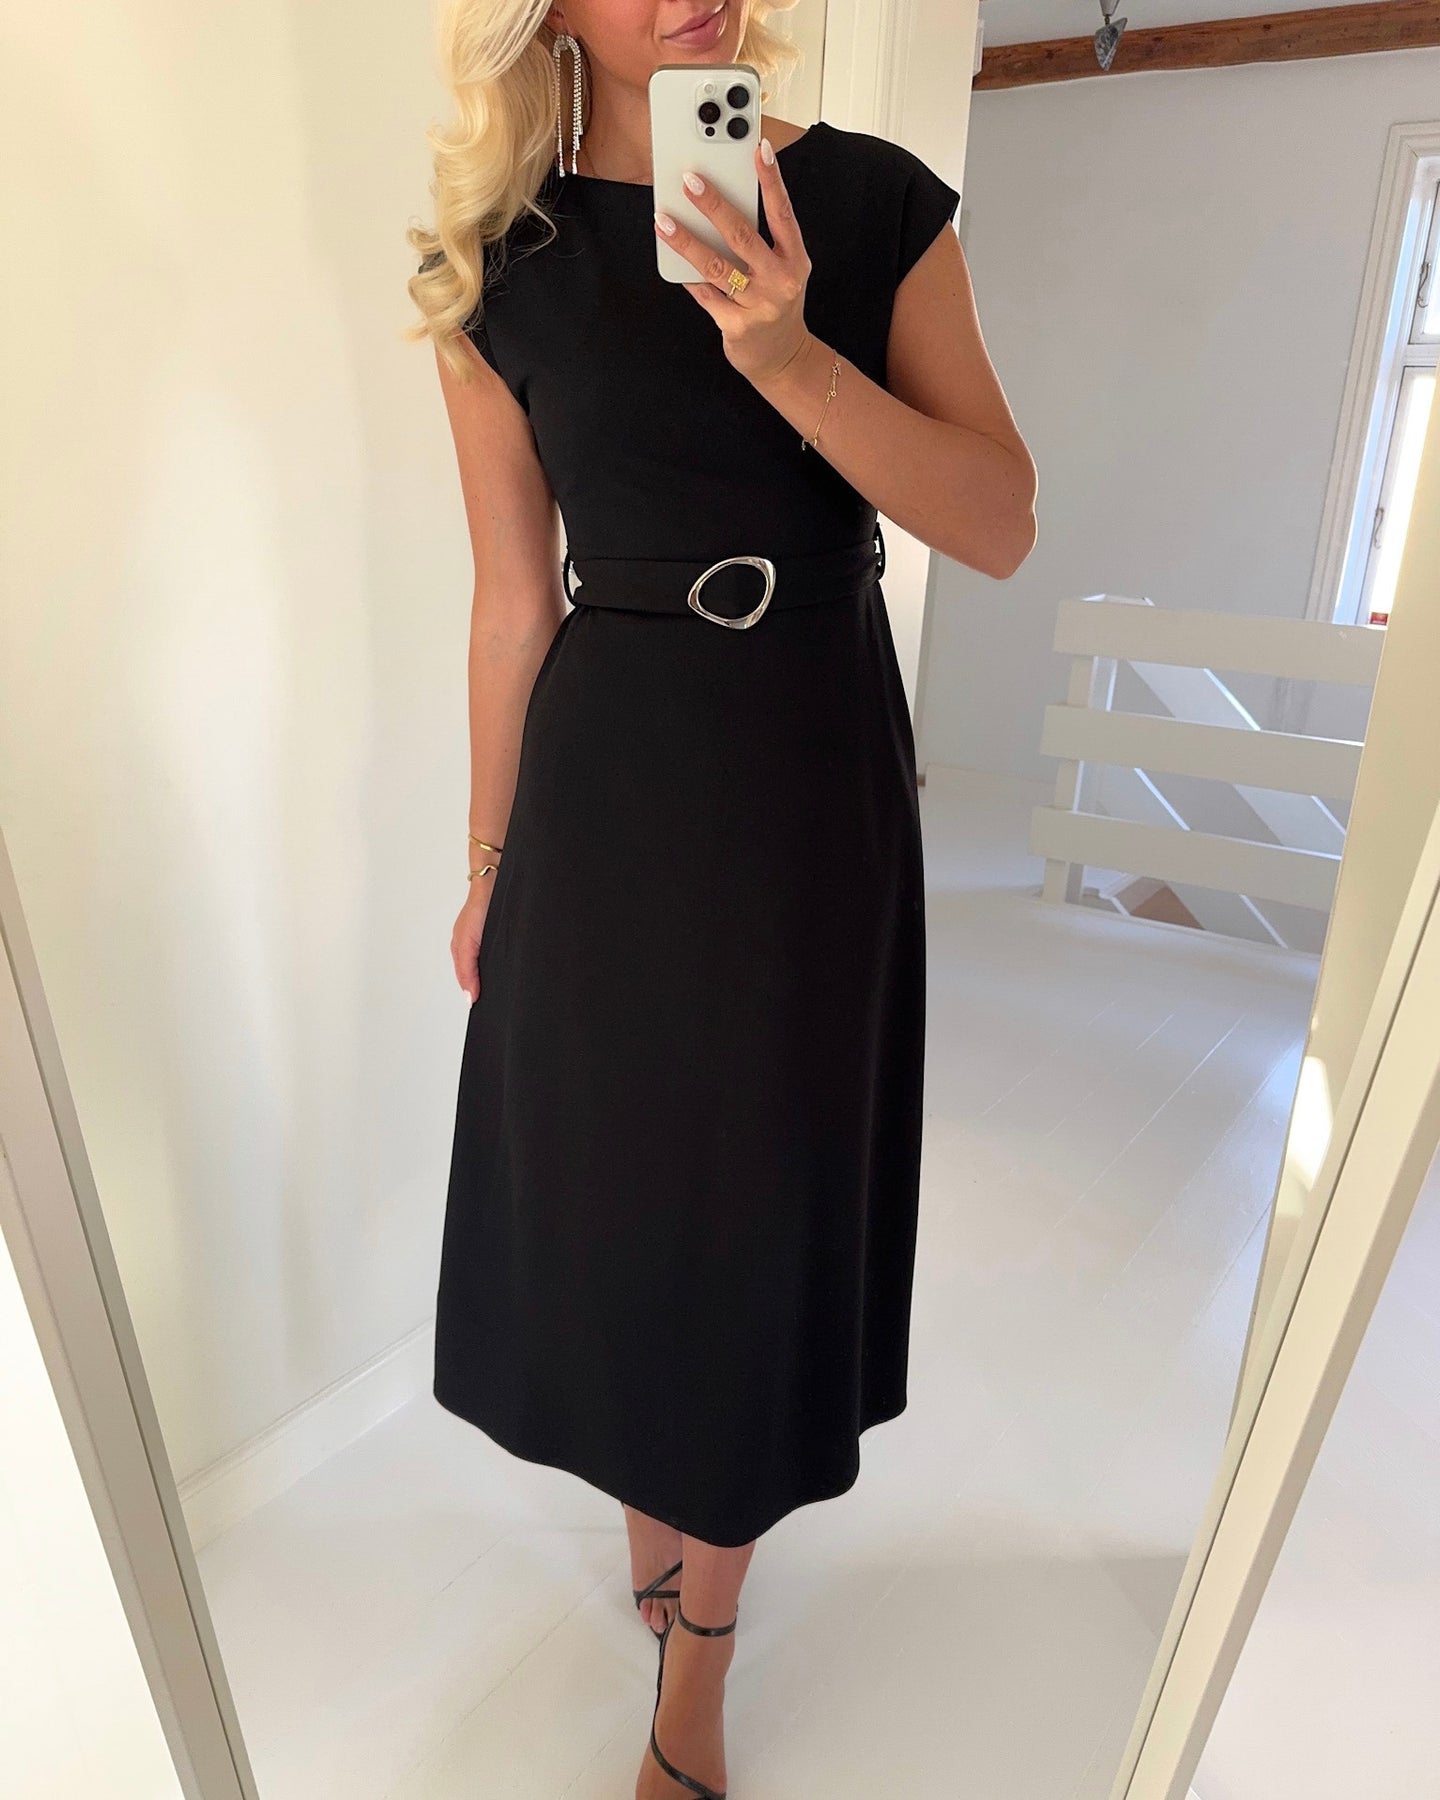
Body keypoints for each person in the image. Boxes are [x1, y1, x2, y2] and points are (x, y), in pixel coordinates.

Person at [408, 0, 1036, 1791]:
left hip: (805, 760)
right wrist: (487, 859)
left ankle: (702, 1658)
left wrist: (786, 353)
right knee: (612, 1178)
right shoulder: (495, 271)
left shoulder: (876, 205)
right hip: (608, 773)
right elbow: (510, 602)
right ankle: (649, 1490)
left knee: (756, 1202)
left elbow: (1000, 520)